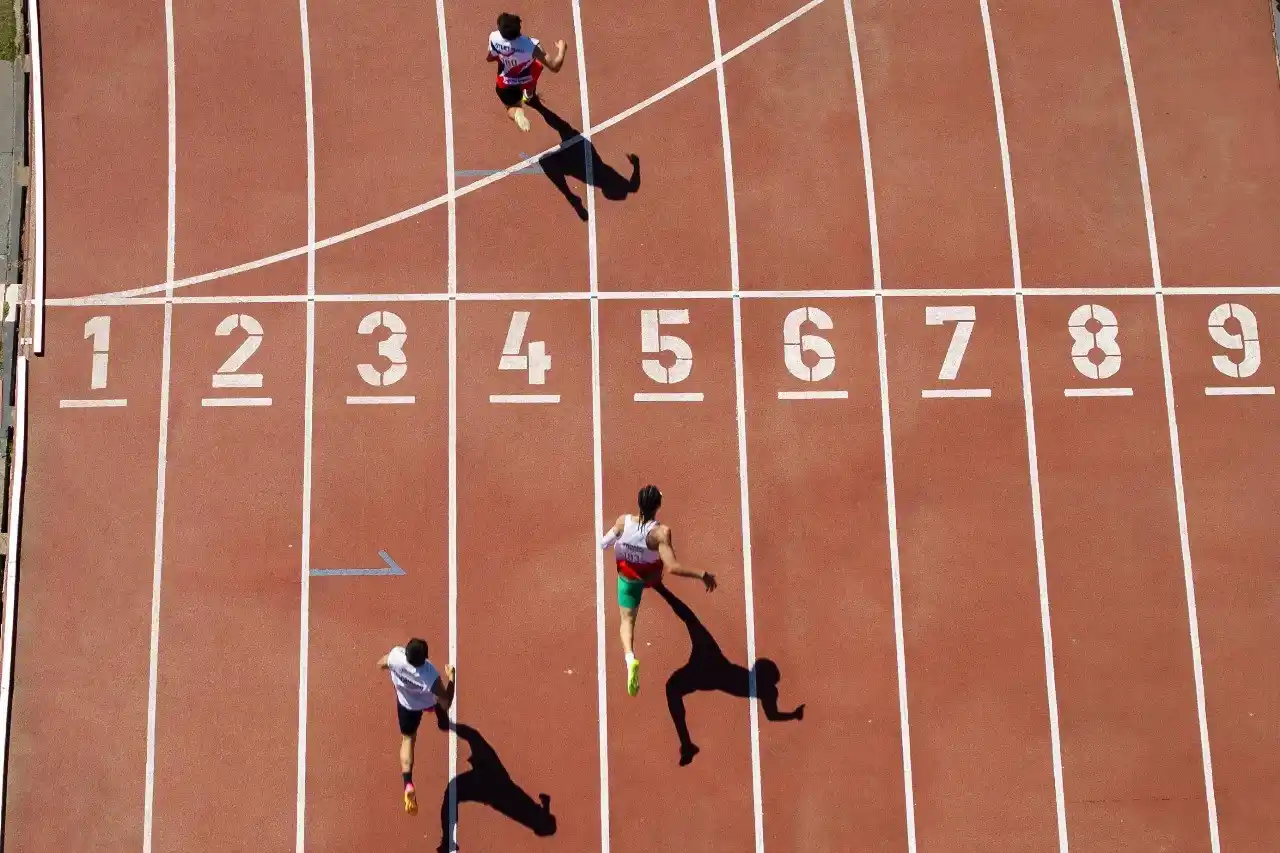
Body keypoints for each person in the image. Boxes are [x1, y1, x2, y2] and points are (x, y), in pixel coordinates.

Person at [600, 485, 716, 697]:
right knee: (657, 580)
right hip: (650, 575)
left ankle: (630, 658)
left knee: (627, 621)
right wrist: (702, 574)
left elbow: (604, 543)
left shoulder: (623, 521)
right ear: (658, 506)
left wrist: (619, 542)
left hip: (627, 577)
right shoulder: (661, 533)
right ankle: (655, 585)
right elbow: (672, 566)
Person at [378, 638, 455, 815]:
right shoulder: (430, 675)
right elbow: (446, 702)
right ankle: (442, 722)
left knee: (408, 739)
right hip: (427, 702)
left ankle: (408, 783)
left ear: (406, 652)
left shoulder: (396, 656)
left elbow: (381, 663)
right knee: (439, 707)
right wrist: (452, 677)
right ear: (425, 657)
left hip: (406, 705)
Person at [486, 12, 566, 132]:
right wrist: (562, 49)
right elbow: (555, 67)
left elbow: (490, 57)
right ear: (519, 28)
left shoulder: (494, 37)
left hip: (506, 81)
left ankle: (518, 112)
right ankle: (528, 96)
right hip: (527, 77)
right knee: (535, 68)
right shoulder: (531, 45)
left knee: (511, 108)